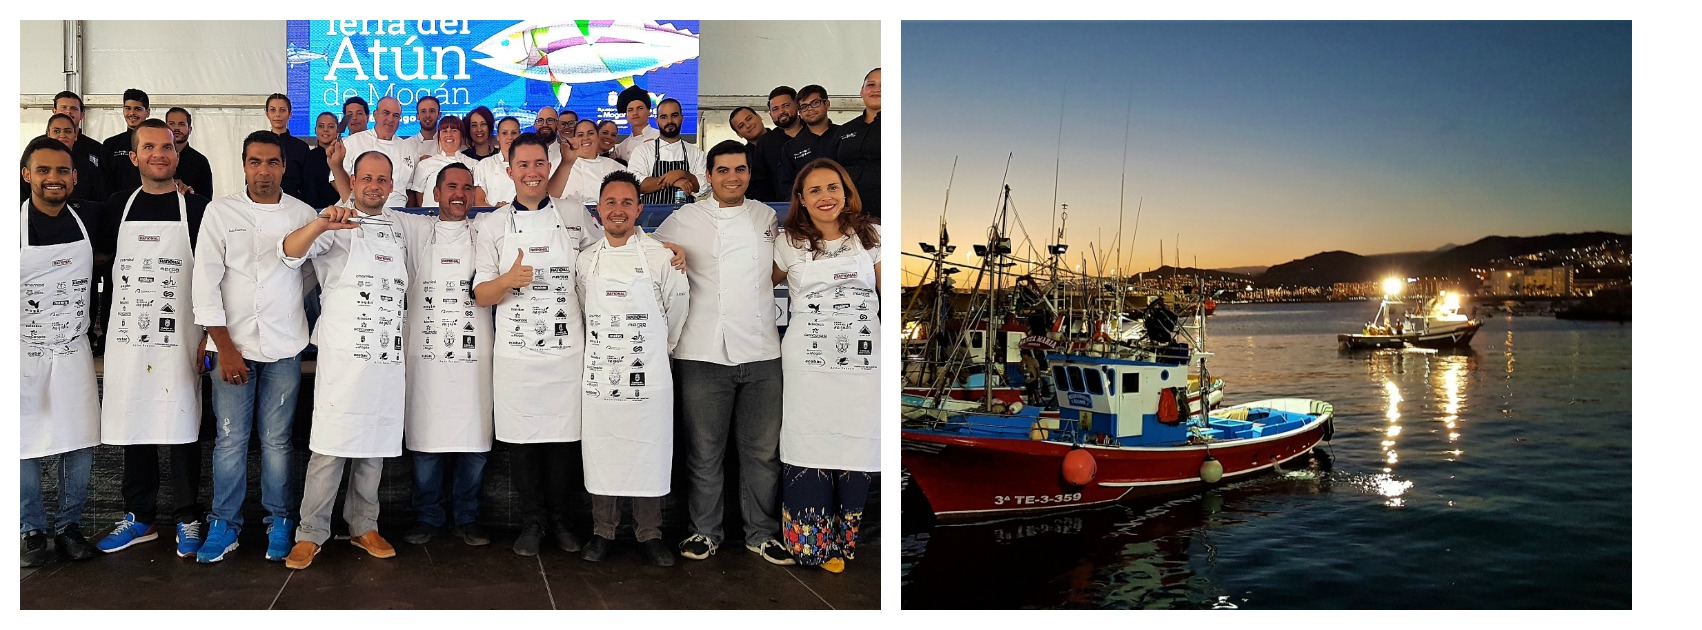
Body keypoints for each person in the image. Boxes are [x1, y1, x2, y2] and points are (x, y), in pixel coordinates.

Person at [653, 140, 795, 566]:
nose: (732, 177)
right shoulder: (684, 218)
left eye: (740, 169)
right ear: (709, 175)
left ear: (749, 174)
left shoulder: (766, 217)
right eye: (723, 170)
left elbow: (777, 269)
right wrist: (669, 253)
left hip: (762, 350)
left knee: (762, 453)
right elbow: (649, 250)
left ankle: (761, 534)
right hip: (701, 349)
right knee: (704, 451)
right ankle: (704, 532)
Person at [190, 131, 320, 563]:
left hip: (284, 346)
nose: (263, 171)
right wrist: (222, 345)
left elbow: (308, 278)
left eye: (272, 162)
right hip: (233, 346)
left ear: (284, 166)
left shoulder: (303, 213)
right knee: (230, 439)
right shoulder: (220, 211)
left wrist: (282, 312)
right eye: (255, 162)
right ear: (244, 165)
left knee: (278, 441)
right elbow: (205, 280)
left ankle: (279, 521)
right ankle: (224, 524)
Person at [471, 132, 602, 557]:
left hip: (566, 350)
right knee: (523, 439)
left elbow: (609, 254)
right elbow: (481, 294)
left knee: (564, 439)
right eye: (523, 165)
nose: (532, 172)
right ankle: (532, 520)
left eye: (539, 164)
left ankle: (561, 520)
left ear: (549, 168)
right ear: (508, 171)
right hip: (517, 353)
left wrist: (666, 250)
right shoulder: (491, 224)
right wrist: (507, 281)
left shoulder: (573, 214)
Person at [277, 151, 409, 569]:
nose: (374, 185)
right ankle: (310, 532)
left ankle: (363, 526)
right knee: (331, 446)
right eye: (366, 177)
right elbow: (289, 253)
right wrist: (320, 222)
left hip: (386, 354)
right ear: (352, 181)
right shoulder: (335, 220)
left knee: (374, 445)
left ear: (391, 186)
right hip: (344, 353)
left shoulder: (398, 227)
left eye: (382, 179)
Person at [92, 119, 212, 558]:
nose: (160, 153)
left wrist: (209, 338)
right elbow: (99, 262)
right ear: (135, 155)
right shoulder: (116, 205)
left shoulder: (197, 211)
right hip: (129, 340)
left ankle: (187, 516)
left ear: (177, 155)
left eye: (168, 146)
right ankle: (139, 517)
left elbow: (215, 278)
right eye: (150, 147)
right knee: (133, 421)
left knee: (182, 426)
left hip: (181, 337)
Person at [771, 158, 880, 573]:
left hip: (862, 364)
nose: (825, 197)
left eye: (832, 188)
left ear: (846, 191)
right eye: (814, 190)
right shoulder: (788, 243)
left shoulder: (871, 237)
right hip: (808, 365)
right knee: (807, 442)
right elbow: (754, 283)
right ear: (800, 198)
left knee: (853, 444)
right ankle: (808, 542)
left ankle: (842, 543)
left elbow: (889, 296)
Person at [576, 170, 690, 567]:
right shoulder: (586, 260)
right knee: (604, 450)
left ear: (640, 209)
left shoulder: (662, 256)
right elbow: (581, 309)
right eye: (611, 202)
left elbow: (677, 311)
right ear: (598, 210)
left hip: (649, 375)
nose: (618, 210)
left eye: (627, 202)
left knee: (649, 453)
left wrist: (659, 350)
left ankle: (650, 534)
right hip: (601, 375)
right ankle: (602, 532)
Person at [394, 163, 493, 547]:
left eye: (467, 187)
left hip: (475, 354)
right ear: (435, 193)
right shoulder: (417, 230)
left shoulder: (485, 231)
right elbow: (376, 211)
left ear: (475, 194)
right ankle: (429, 516)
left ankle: (467, 517)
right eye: (451, 186)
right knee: (426, 442)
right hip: (426, 355)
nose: (459, 193)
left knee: (475, 442)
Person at [20, 137, 101, 567]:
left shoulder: (88, 217)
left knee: (80, 440)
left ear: (74, 177)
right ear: (27, 174)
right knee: (21, 441)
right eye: (45, 171)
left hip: (71, 348)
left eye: (63, 171)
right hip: (20, 349)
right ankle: (30, 529)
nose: (54, 179)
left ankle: (70, 526)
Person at [625, 98, 705, 205]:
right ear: (657, 120)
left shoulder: (696, 153)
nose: (669, 121)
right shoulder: (643, 151)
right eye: (664, 117)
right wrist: (675, 181)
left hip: (686, 218)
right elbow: (637, 184)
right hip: (651, 218)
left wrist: (682, 174)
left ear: (682, 118)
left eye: (674, 115)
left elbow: (703, 186)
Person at [339, 96, 415, 209]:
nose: (390, 119)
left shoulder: (407, 148)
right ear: (375, 115)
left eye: (396, 115)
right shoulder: (353, 142)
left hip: (397, 214)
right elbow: (337, 179)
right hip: (360, 212)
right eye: (386, 113)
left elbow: (409, 190)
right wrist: (356, 206)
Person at [776, 85, 840, 199]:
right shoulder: (791, 147)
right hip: (808, 207)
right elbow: (786, 185)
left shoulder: (844, 135)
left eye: (815, 103)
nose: (810, 109)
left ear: (827, 104)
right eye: (804, 106)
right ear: (799, 112)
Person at [23, 114, 104, 203]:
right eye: (57, 131)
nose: (62, 135)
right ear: (48, 134)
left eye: (68, 131)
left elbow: (99, 200)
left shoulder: (89, 167)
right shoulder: (33, 161)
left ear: (75, 135)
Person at [834, 68, 881, 220]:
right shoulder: (845, 130)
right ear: (862, 91)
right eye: (871, 84)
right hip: (848, 211)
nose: (876, 89)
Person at [546, 119, 622, 203]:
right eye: (580, 135)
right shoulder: (557, 166)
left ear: (598, 137)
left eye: (590, 133)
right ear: (574, 139)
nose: (585, 138)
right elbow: (546, 198)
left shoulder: (616, 167)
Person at [408, 115, 473, 208]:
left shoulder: (474, 165)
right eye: (444, 131)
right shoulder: (425, 165)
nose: (449, 134)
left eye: (454, 130)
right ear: (439, 136)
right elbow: (419, 198)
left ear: (461, 135)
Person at [757, 86, 804, 200]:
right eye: (775, 109)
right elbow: (760, 181)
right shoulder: (766, 142)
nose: (781, 112)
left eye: (786, 106)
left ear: (797, 105)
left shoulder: (814, 131)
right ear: (770, 115)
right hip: (782, 208)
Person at [102, 88, 150, 195]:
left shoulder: (156, 143)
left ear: (147, 112)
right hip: (118, 206)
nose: (132, 113)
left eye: (137, 109)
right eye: (128, 108)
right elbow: (104, 182)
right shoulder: (111, 145)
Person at [265, 93, 311, 201]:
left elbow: (308, 185)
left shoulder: (301, 147)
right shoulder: (259, 145)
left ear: (290, 114)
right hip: (264, 204)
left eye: (282, 110)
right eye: (273, 110)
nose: (277, 115)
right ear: (267, 114)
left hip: (294, 204)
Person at [471, 117, 525, 208]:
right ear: (498, 137)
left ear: (519, 135)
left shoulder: (528, 164)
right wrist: (498, 211)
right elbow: (478, 201)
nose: (509, 137)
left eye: (514, 133)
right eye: (504, 133)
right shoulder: (484, 165)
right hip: (491, 217)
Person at [729, 106, 777, 203]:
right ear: (739, 134)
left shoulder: (785, 140)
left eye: (749, 119)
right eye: (741, 125)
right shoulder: (741, 157)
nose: (748, 125)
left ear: (759, 116)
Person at [165, 107, 214, 199]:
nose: (176, 128)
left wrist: (188, 192)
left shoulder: (200, 161)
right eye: (171, 124)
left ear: (190, 129)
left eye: (181, 124)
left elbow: (206, 200)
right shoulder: (157, 158)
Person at [300, 112, 345, 210]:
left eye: (331, 126)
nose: (325, 130)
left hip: (340, 211)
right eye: (321, 126)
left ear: (338, 131)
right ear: (315, 130)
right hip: (311, 211)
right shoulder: (307, 156)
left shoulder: (344, 156)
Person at [610, 85, 658, 163]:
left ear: (649, 112)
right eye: (630, 110)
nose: (635, 113)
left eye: (640, 108)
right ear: (626, 115)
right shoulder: (621, 148)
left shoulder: (661, 138)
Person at [405, 94, 442, 170]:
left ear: (439, 115)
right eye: (423, 111)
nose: (427, 115)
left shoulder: (447, 144)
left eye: (432, 111)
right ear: (417, 116)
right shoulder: (406, 144)